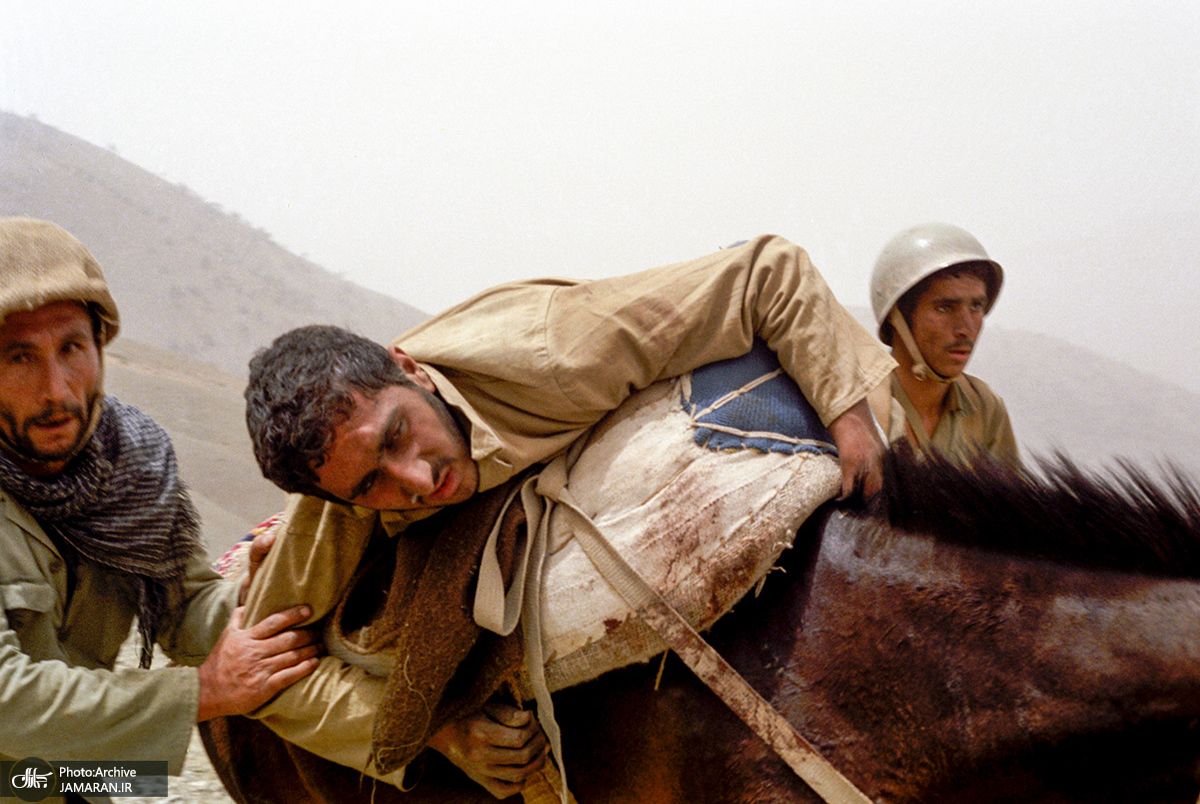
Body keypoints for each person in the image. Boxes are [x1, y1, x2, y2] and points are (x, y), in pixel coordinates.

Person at [238, 234, 896, 798]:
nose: (416, 479)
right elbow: (264, 676)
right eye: (372, 483)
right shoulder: (333, 507)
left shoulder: (558, 347)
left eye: (398, 434)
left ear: (408, 369)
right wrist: (438, 733)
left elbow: (764, 270)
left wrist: (848, 416)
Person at [0, 218, 321, 802]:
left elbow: (185, 605)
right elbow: (9, 704)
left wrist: (272, 589)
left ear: (100, 345)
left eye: (71, 348)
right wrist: (204, 692)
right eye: (18, 358)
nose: (56, 390)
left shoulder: (131, 465)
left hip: (69, 779)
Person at [867, 222, 1019, 467]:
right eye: (945, 307)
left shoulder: (984, 407)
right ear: (898, 317)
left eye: (976, 307)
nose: (965, 328)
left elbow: (1010, 502)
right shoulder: (858, 405)